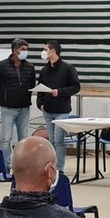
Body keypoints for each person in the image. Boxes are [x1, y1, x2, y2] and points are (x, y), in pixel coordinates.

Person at [0, 38, 37, 170]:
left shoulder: (30, 67)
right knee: (6, 139)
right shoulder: (0, 66)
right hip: (8, 109)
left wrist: (25, 98)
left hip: (24, 108)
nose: (25, 52)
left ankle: (22, 165)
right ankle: (5, 166)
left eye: (26, 49)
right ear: (15, 51)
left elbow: (32, 85)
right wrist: (1, 100)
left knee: (24, 139)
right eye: (23, 49)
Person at [36, 40, 81, 173]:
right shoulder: (44, 70)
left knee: (58, 139)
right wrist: (40, 104)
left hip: (62, 110)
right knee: (51, 140)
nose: (43, 52)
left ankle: (59, 168)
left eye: (45, 49)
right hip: (47, 110)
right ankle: (51, 165)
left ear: (53, 51)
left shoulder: (68, 68)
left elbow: (76, 87)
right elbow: (40, 88)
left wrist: (60, 92)